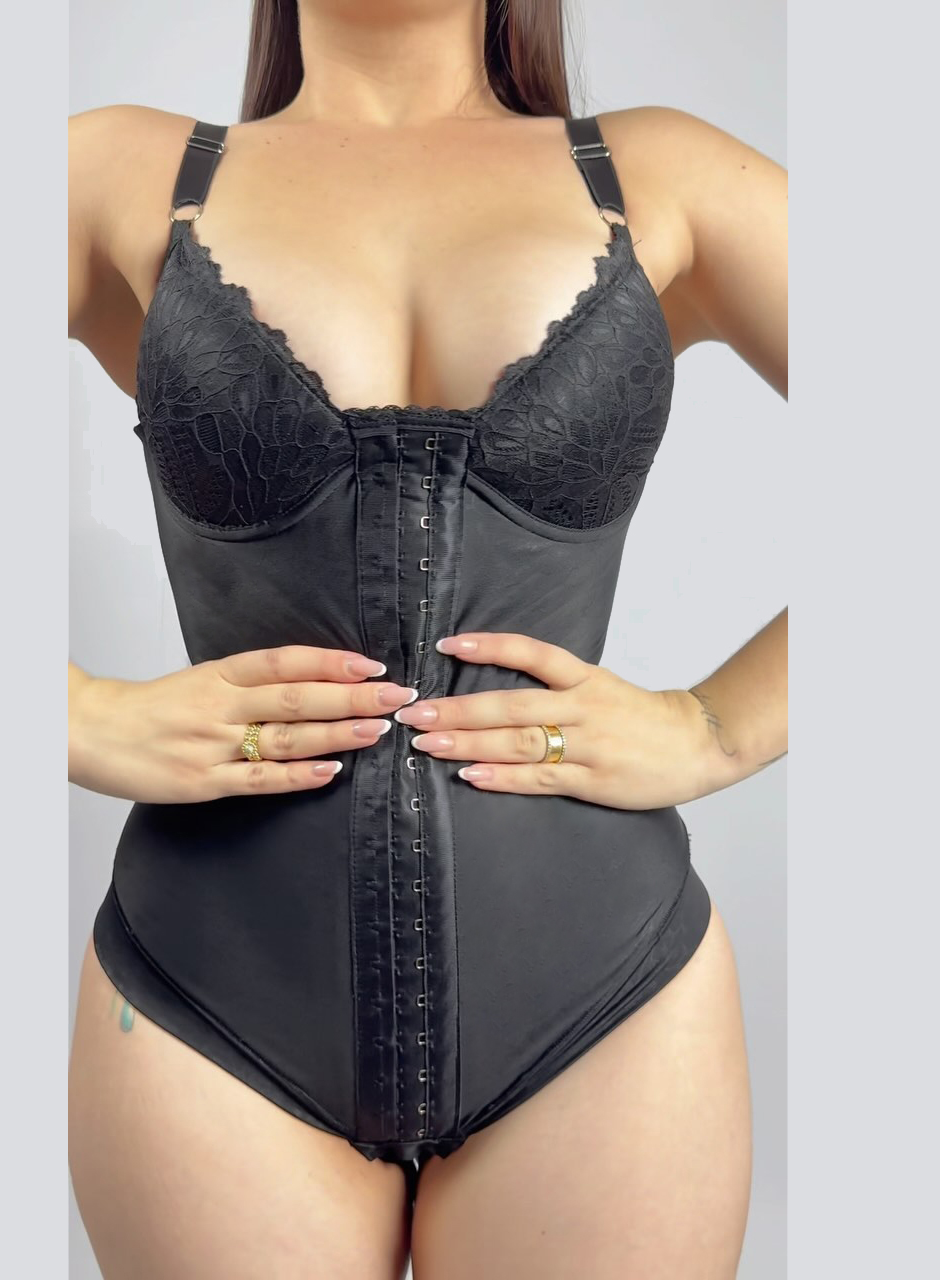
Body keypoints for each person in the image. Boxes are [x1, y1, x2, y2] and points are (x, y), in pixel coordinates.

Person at [68, 2, 787, 1276]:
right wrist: (71, 714)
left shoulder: (664, 177)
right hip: (209, 998)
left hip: (604, 1001)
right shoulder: (109, 175)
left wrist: (715, 726)